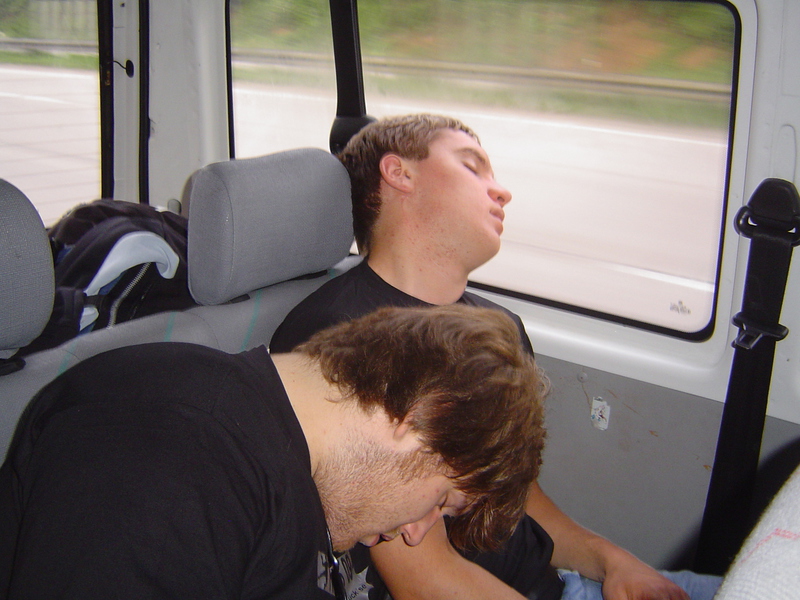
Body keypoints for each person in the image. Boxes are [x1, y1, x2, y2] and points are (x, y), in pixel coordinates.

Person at [270, 114, 722, 600]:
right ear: (400, 173)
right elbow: (426, 580)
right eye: (472, 166)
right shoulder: (337, 338)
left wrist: (612, 562)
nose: (502, 192)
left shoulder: (498, 329)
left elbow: (517, 497)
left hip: (556, 583)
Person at [0, 304, 548, 600]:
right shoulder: (169, 447)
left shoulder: (299, 478)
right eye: (441, 502)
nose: (414, 533)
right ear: (422, 417)